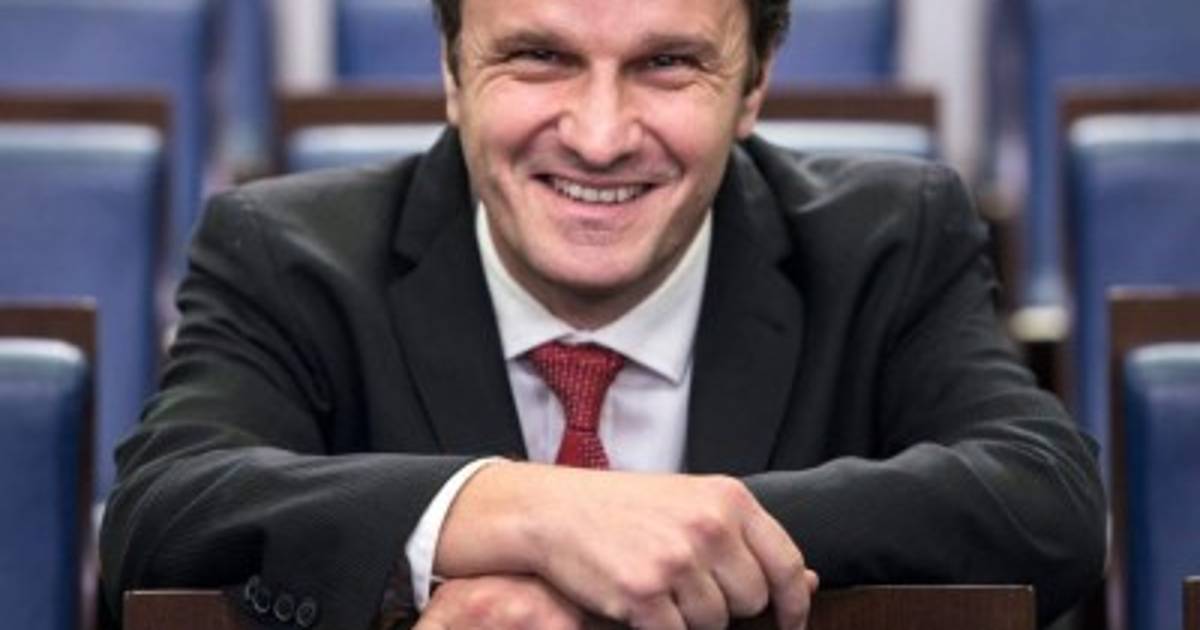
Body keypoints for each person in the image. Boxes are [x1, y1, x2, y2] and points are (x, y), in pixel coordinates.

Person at [100, 0, 1106, 628]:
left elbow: (1043, 503)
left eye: (667, 64)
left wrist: (654, 551)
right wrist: (532, 517)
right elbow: (164, 518)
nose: (599, 134)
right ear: (452, 74)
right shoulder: (284, 253)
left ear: (753, 86)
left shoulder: (891, 238)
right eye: (539, 56)